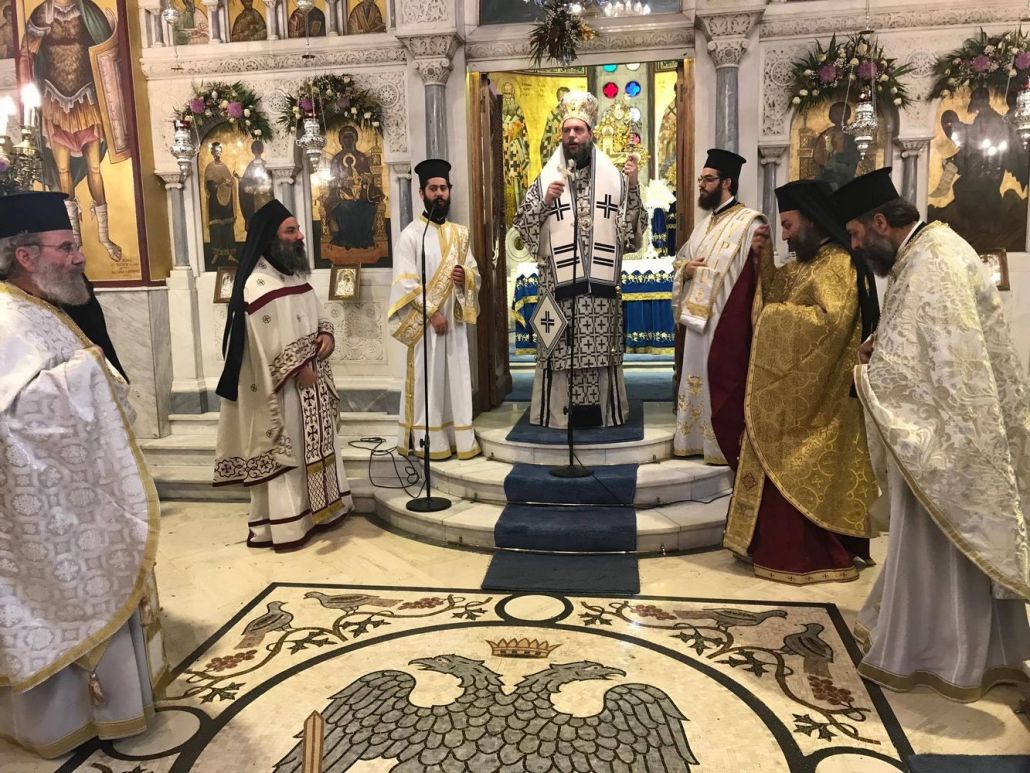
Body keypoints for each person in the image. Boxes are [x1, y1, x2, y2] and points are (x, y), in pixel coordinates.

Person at [833, 167, 1030, 700]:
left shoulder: (930, 262)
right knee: (936, 542)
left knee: (940, 544)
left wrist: (867, 370)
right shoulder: (928, 252)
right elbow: (927, 347)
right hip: (947, 430)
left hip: (944, 439)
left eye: (855, 234)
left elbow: (925, 368)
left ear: (880, 223)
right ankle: (960, 647)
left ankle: (940, 655)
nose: (855, 247)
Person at [0, 192, 164, 758]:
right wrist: (88, 375)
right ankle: (62, 721)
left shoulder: (42, 307)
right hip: (39, 512)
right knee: (54, 604)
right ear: (25, 256)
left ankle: (112, 706)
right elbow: (14, 420)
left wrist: (85, 374)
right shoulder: (6, 318)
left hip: (78, 499)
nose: (78, 257)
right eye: (66, 246)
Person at [722, 179, 880, 584]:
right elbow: (781, 291)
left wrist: (772, 318)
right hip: (797, 392)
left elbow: (829, 323)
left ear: (811, 220)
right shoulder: (809, 262)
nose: (786, 235)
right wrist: (762, 263)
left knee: (798, 459)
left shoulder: (838, 263)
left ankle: (808, 551)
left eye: (789, 226)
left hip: (822, 400)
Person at [214, 199, 354, 550]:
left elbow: (316, 313)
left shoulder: (294, 276)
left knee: (316, 445)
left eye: (298, 229)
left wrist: (326, 334)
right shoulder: (257, 285)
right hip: (283, 390)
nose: (300, 236)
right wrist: (297, 368)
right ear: (271, 238)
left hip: (312, 380)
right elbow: (261, 344)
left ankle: (321, 511)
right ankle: (287, 523)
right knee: (288, 452)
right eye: (291, 231)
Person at [514, 90, 642, 429]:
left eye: (579, 130)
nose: (572, 136)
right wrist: (544, 202)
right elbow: (521, 228)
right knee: (557, 349)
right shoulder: (546, 180)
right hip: (556, 288)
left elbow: (632, 234)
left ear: (591, 134)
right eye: (567, 130)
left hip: (599, 291)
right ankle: (556, 415)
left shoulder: (615, 180)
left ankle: (604, 414)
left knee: (599, 350)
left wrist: (633, 185)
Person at [671, 148, 767, 463]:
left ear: (727, 182)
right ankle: (692, 439)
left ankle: (719, 445)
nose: (701, 185)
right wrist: (686, 269)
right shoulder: (703, 225)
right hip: (698, 320)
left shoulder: (750, 222)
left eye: (708, 179)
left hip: (726, 319)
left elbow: (758, 275)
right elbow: (681, 261)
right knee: (695, 375)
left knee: (721, 378)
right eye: (701, 179)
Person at [389, 159, 481, 460]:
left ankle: (459, 440)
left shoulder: (461, 234)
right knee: (428, 380)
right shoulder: (410, 235)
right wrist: (432, 313)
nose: (439, 194)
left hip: (454, 322)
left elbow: (474, 272)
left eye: (443, 188)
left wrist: (465, 278)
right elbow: (405, 282)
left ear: (449, 190)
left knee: (456, 379)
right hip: (427, 326)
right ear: (422, 193)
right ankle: (431, 442)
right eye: (433, 189)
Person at [20, 0, 124, 260]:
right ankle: (74, 239)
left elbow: (106, 49)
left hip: (86, 99)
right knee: (63, 171)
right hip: (54, 102)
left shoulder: (87, 10)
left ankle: (104, 236)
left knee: (95, 168)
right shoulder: (42, 13)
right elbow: (27, 57)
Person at [205, 141, 238, 266]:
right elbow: (209, 186)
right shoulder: (210, 167)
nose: (217, 152)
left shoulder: (224, 167)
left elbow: (230, 182)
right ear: (212, 152)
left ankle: (230, 254)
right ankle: (216, 253)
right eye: (215, 150)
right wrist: (218, 182)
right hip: (215, 201)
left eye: (219, 150)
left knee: (228, 226)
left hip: (227, 200)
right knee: (216, 227)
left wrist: (231, 182)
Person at [237, 140, 274, 225]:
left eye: (258, 148)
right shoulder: (251, 165)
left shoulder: (266, 165)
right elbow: (246, 181)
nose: (257, 150)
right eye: (255, 148)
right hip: (255, 198)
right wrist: (241, 180)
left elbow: (271, 181)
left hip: (266, 197)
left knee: (267, 219)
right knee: (258, 219)